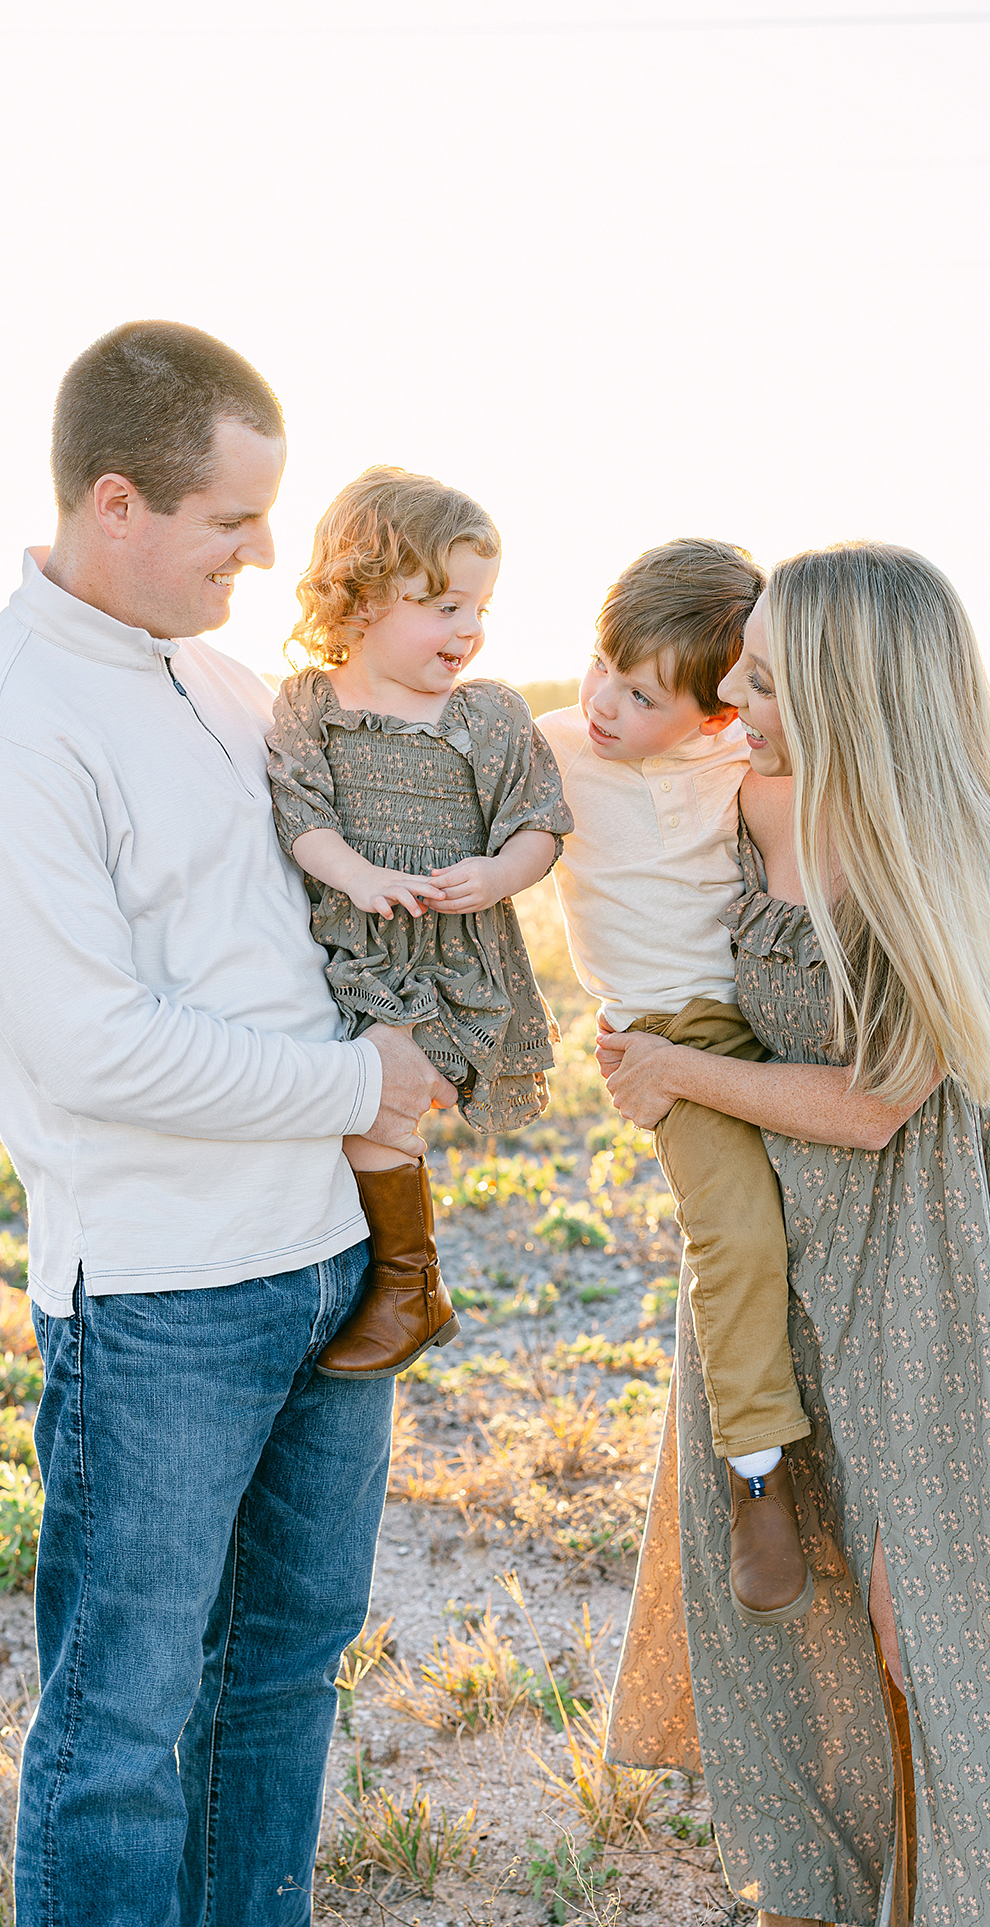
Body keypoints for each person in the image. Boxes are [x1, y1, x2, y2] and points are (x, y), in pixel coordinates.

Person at [0, 322, 454, 1927]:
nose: (257, 558)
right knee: (126, 1696)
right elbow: (95, 1050)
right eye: (231, 520)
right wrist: (352, 1078)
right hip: (157, 1295)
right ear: (114, 501)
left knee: (287, 1658)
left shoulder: (219, 687)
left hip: (327, 1259)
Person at [599, 543, 990, 1927]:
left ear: (852, 692)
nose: (731, 702)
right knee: (766, 1597)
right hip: (764, 1269)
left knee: (942, 1636)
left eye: (762, 678)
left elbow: (872, 1108)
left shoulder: (979, 860)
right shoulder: (751, 805)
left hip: (918, 1278)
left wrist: (670, 1073)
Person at [540, 540, 812, 1615]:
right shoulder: (550, 746)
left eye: (641, 694)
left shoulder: (745, 757)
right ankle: (758, 1476)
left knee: (826, 1229)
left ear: (711, 713)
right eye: (601, 663)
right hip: (666, 1029)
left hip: (779, 1010)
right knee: (737, 1234)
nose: (603, 700)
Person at [267, 466, 571, 1379]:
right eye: (441, 604)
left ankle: (411, 1284)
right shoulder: (311, 706)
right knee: (353, 1115)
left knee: (383, 1113)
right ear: (357, 600)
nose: (468, 629)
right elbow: (301, 812)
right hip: (359, 948)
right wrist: (356, 876)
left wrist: (498, 874)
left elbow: (539, 820)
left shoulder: (488, 714)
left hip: (456, 953)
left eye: (480, 606)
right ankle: (397, 1278)